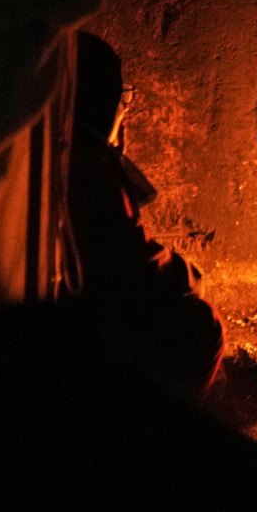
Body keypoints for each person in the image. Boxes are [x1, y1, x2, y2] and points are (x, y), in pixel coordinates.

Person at [69, 32, 224, 398]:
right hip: (92, 322)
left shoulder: (66, 151)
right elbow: (131, 261)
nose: (126, 110)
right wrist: (187, 276)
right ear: (102, 100)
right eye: (122, 98)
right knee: (202, 325)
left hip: (82, 310)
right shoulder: (90, 170)